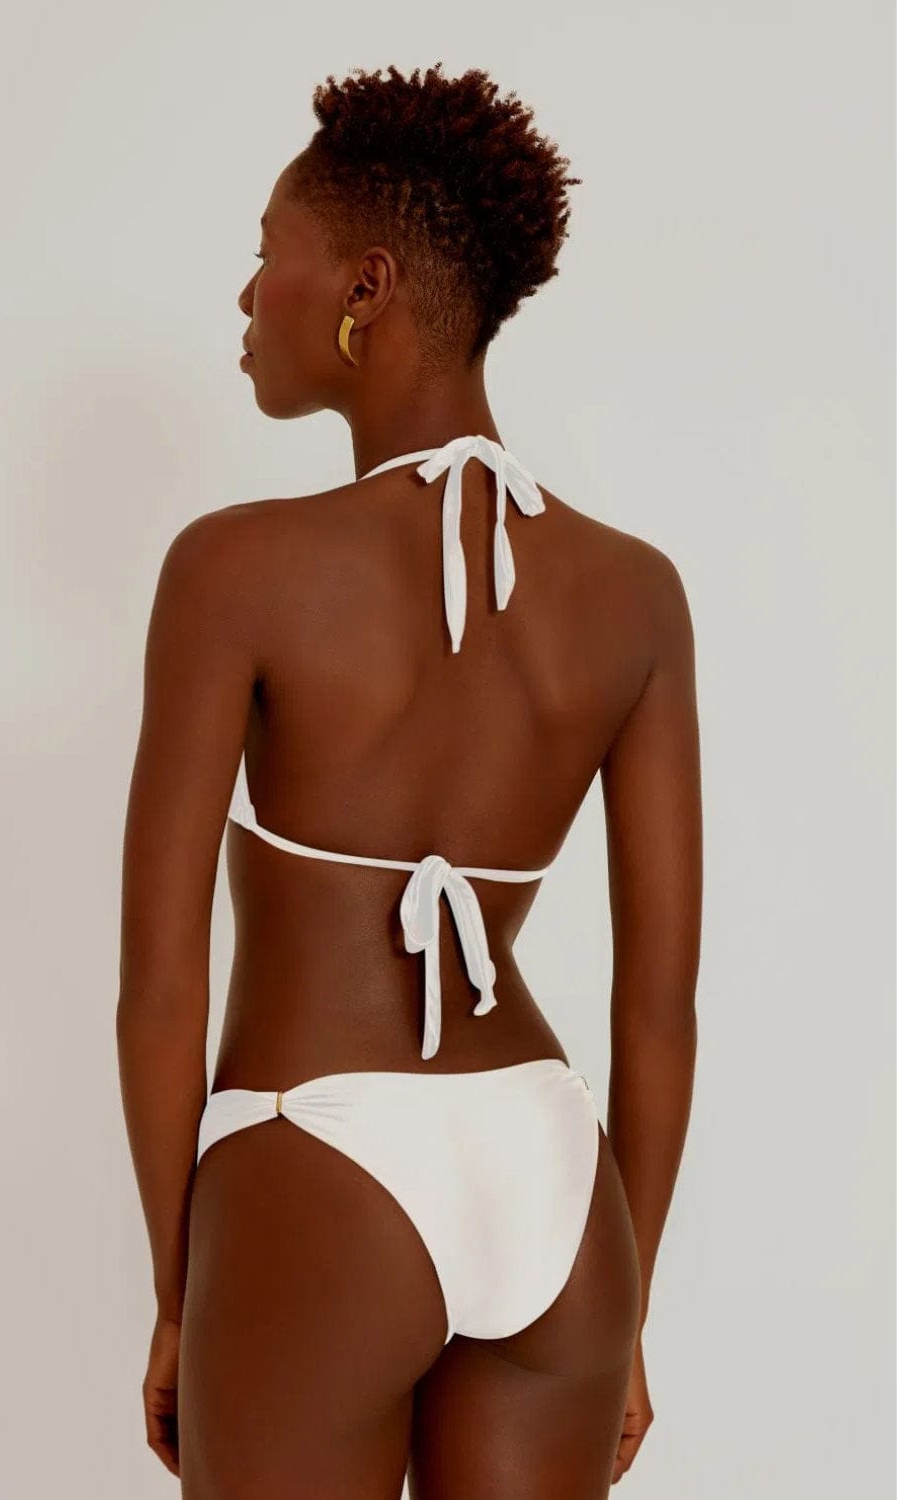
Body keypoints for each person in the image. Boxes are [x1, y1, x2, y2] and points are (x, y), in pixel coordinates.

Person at [117, 61, 701, 1500]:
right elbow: (658, 1007)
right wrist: (625, 1307)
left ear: (364, 288)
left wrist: (184, 1295)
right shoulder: (635, 594)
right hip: (555, 1182)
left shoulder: (234, 569)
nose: (247, 295)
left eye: (269, 253)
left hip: (315, 1164)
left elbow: (161, 985)